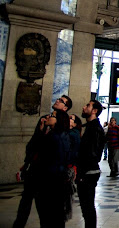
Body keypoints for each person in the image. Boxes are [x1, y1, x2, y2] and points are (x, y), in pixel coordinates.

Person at [13, 95, 72, 228]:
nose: (57, 100)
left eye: (61, 101)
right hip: (36, 169)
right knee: (27, 200)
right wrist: (27, 162)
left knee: (49, 209)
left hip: (48, 175)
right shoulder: (44, 120)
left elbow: (58, 154)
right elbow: (32, 145)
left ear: (65, 108)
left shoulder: (61, 133)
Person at [32, 110, 72, 227]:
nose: (49, 116)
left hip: (50, 180)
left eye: (52, 115)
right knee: (56, 215)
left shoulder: (54, 137)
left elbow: (44, 156)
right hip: (57, 179)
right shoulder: (63, 135)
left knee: (48, 215)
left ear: (58, 120)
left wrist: (40, 132)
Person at [77, 99, 106, 228]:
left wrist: (82, 169)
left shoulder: (95, 129)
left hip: (88, 171)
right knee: (85, 206)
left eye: (88, 106)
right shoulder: (88, 127)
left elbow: (93, 153)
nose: (84, 107)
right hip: (85, 170)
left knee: (87, 206)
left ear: (94, 111)